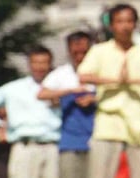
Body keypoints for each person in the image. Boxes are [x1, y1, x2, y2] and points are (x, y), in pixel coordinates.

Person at [77, 3, 140, 178]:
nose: (125, 26)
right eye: (119, 21)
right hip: (108, 122)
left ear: (135, 24)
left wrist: (132, 81)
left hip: (138, 123)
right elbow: (84, 75)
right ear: (112, 25)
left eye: (129, 21)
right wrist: (114, 81)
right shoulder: (99, 50)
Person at [0, 46, 61, 178]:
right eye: (36, 62)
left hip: (52, 147)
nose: (40, 67)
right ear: (29, 64)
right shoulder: (15, 88)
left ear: (50, 64)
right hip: (24, 147)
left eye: (44, 62)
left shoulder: (60, 87)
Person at [38, 31, 96, 178]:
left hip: (97, 138)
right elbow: (42, 94)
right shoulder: (62, 74)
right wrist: (69, 91)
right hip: (70, 141)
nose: (80, 56)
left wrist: (94, 98)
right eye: (75, 52)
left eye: (84, 52)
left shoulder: (99, 70)